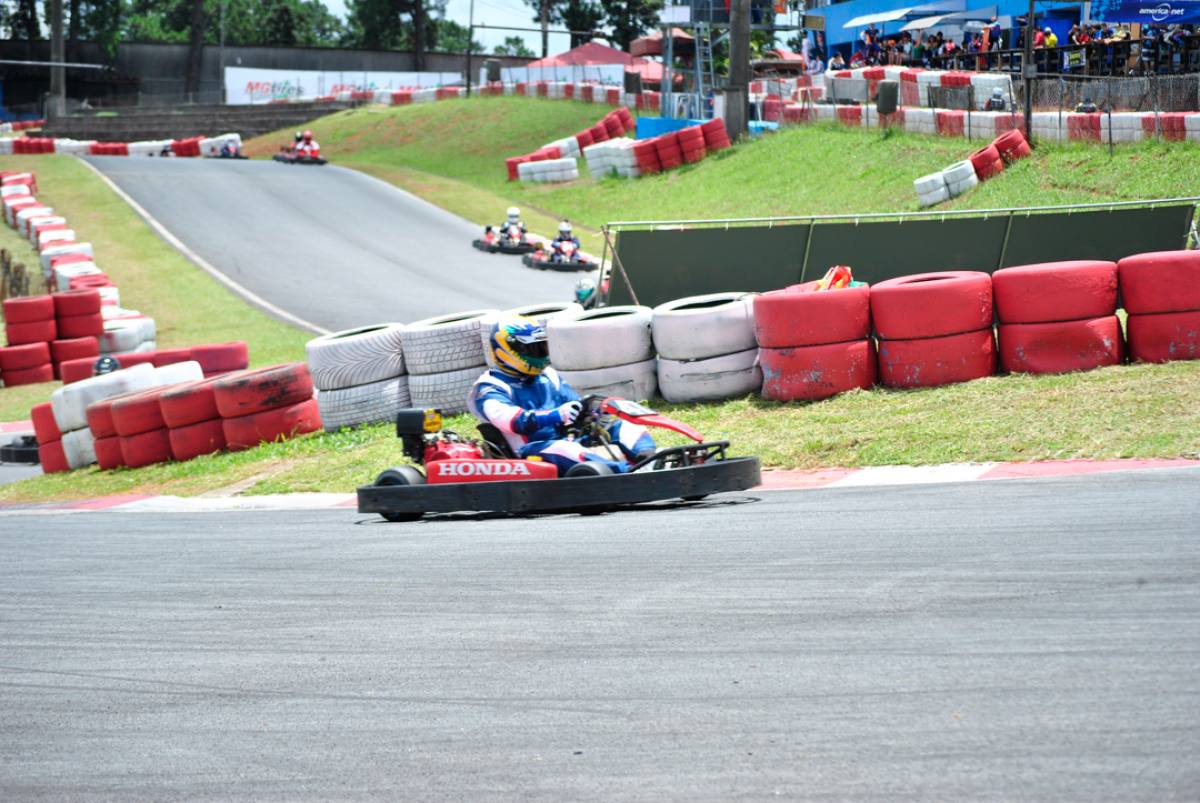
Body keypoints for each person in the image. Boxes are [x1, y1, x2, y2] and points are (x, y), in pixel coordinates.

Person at [468, 316, 656, 476]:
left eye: (541, 347)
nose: (540, 354)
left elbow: (572, 404)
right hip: (528, 452)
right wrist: (556, 415)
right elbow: (513, 421)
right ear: (507, 351)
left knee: (623, 426)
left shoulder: (547, 375)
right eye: (533, 349)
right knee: (566, 449)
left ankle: (649, 461)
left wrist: (589, 412)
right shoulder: (489, 387)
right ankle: (627, 474)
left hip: (566, 438)